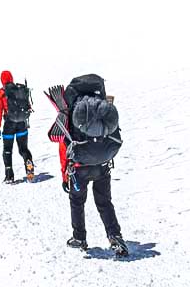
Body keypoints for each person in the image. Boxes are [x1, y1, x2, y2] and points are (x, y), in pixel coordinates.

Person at [57, 74, 127, 257]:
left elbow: (63, 145)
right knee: (104, 202)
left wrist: (65, 174)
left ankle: (79, 237)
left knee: (77, 201)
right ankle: (115, 236)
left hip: (79, 166)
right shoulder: (103, 109)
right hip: (103, 164)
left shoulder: (70, 111)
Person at [0, 70, 35, 183]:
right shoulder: (19, 90)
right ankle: (29, 165)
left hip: (9, 125)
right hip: (22, 123)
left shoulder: (2, 92)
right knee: (23, 149)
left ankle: (9, 175)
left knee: (7, 150)